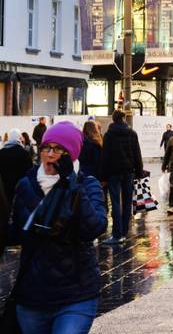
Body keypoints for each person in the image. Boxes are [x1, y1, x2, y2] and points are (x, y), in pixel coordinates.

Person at [8, 121, 107, 333]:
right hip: (33, 295)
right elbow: (17, 233)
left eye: (58, 149)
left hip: (76, 294)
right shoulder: (26, 184)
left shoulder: (87, 184)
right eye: (46, 147)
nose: (50, 154)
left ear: (70, 154)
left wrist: (71, 184)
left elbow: (94, 228)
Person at [101, 109, 143, 244]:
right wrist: (139, 171)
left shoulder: (109, 135)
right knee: (127, 202)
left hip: (114, 172)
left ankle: (117, 234)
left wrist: (104, 175)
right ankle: (124, 232)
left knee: (115, 202)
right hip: (129, 171)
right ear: (124, 118)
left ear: (113, 119)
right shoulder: (132, 133)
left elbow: (105, 157)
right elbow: (137, 153)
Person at [0, 129, 34, 207]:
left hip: (6, 187)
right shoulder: (24, 153)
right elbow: (30, 171)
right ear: (18, 138)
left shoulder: (1, 153)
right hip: (21, 187)